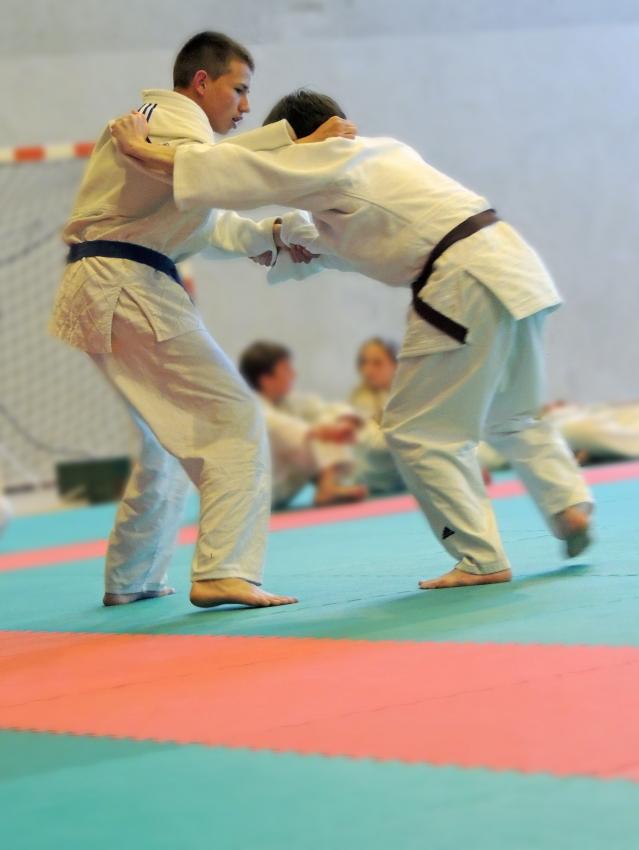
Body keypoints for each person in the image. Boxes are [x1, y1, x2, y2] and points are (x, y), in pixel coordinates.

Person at [108, 88, 593, 591]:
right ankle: (569, 505)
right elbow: (358, 239)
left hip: (462, 279)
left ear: (299, 141)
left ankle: (479, 556)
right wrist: (284, 243)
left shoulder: (329, 154)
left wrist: (142, 152)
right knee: (513, 411)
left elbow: (229, 175)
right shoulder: (385, 155)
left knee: (416, 431)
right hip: (514, 265)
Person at [50, 38, 354, 609]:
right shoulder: (161, 118)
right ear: (200, 83)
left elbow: (209, 222)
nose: (244, 107)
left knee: (165, 443)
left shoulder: (186, 143)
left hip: (115, 281)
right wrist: (297, 143)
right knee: (233, 418)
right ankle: (223, 568)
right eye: (239, 89)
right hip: (126, 282)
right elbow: (216, 175)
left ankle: (133, 575)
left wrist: (272, 234)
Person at [239, 341, 367, 508]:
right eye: (286, 370)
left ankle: (328, 486)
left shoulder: (288, 401)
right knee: (319, 431)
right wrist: (327, 431)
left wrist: (345, 421)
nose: (293, 374)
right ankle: (327, 488)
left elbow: (327, 408)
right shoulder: (250, 406)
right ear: (266, 380)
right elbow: (278, 426)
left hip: (281, 485)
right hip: (255, 494)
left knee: (327, 420)